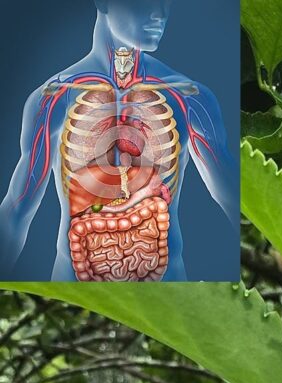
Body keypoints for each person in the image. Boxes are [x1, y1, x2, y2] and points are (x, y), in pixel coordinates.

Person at [0, 0, 238, 281]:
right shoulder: (53, 98)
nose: (160, 13)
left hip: (169, 297)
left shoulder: (189, 97)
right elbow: (16, 211)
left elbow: (235, 199)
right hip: (74, 294)